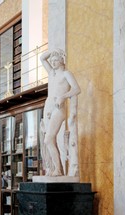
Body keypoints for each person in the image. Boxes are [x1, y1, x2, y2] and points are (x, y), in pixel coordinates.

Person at [40, 48, 82, 176]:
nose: (52, 62)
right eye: (51, 60)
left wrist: (63, 96)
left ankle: (58, 169)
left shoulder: (66, 74)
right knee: (50, 140)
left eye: (55, 59)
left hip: (58, 108)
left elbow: (77, 89)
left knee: (48, 139)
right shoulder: (51, 73)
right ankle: (57, 169)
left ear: (62, 60)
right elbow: (42, 58)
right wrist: (53, 49)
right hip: (48, 107)